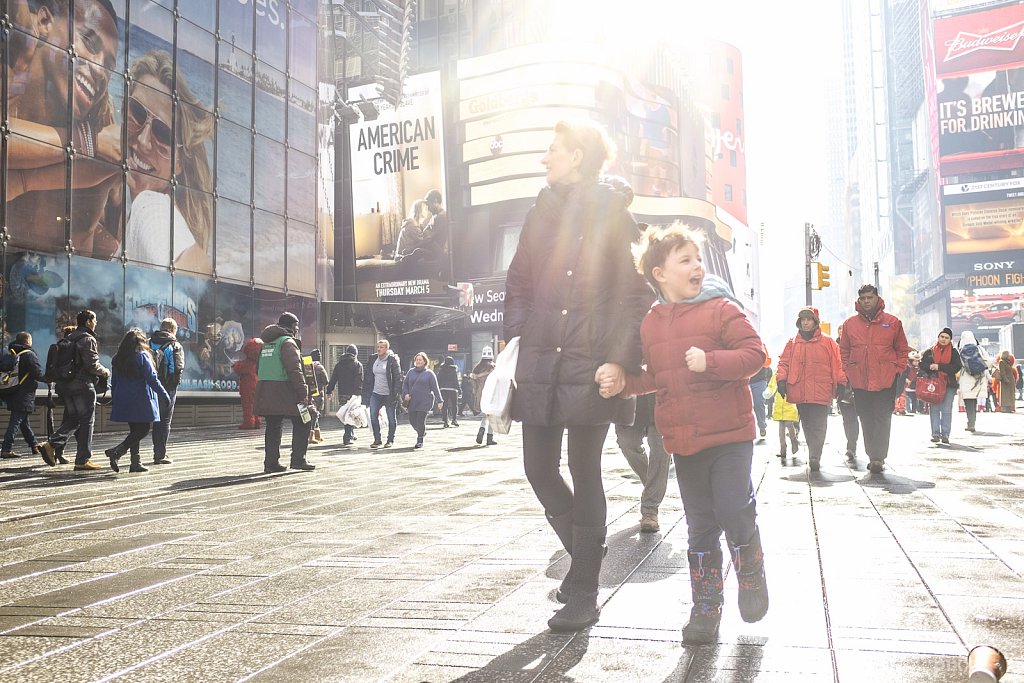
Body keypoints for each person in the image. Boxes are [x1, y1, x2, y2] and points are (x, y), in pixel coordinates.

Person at [503, 120, 652, 633]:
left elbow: (635, 294)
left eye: (553, 150)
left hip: (593, 362)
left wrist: (620, 360)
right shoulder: (539, 212)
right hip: (541, 358)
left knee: (585, 469)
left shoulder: (614, 214)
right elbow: (519, 282)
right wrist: (515, 338)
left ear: (578, 156)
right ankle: (587, 558)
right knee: (538, 469)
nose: (545, 158)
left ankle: (584, 591)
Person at [599, 222, 768, 645]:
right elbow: (656, 377)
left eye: (698, 259)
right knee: (700, 526)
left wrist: (711, 361)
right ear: (659, 274)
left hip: (730, 436)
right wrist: (624, 384)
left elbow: (756, 355)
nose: (697, 267)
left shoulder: (722, 309)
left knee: (734, 509)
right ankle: (706, 608)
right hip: (685, 442)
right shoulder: (652, 323)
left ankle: (751, 573)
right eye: (685, 260)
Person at [122, 50, 214, 272]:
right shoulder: (139, 212)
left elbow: (199, 271)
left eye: (163, 134)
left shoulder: (150, 208)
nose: (143, 141)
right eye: (137, 112)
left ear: (180, 164)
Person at [839, 285, 910, 474]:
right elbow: (844, 350)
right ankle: (872, 455)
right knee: (866, 418)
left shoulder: (893, 322)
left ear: (877, 298)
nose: (866, 301)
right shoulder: (849, 324)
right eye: (862, 298)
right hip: (860, 381)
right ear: (858, 300)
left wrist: (897, 369)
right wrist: (848, 369)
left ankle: (878, 457)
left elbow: (902, 349)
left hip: (885, 379)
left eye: (869, 297)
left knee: (882, 417)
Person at [777, 307, 847, 472]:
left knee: (819, 424)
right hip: (800, 389)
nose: (805, 323)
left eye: (809, 319)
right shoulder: (793, 342)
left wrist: (841, 382)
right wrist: (781, 379)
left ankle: (815, 455)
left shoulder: (828, 342)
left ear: (815, 321)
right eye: (803, 320)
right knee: (807, 423)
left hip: (821, 389)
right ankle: (813, 453)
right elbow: (784, 363)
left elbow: (838, 364)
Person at [39, 310, 111, 470]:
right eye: (95, 320)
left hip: (65, 385)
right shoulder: (87, 339)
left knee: (74, 419)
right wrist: (105, 371)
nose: (96, 323)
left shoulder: (69, 337)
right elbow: (92, 364)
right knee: (87, 421)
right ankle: (82, 460)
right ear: (88, 322)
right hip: (82, 385)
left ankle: (51, 445)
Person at [104, 329, 171, 472]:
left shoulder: (118, 358)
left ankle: (135, 462)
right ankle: (117, 451)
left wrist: (115, 397)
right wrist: (164, 394)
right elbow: (152, 379)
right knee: (143, 429)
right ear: (141, 342)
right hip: (140, 398)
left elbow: (114, 381)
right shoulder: (142, 356)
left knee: (135, 430)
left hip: (124, 398)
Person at [255, 312, 315, 472]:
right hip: (287, 391)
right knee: (305, 419)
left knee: (273, 426)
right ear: (291, 326)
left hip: (266, 390)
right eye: (296, 326)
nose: (297, 329)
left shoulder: (266, 344)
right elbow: (295, 370)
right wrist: (303, 393)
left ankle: (271, 463)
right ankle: (298, 459)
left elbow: (257, 367)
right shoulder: (287, 342)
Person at [614, 393, 670, 533]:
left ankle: (650, 511)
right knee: (627, 442)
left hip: (662, 400)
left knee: (661, 448)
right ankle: (653, 485)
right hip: (630, 399)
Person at [0, 332, 46, 459]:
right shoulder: (29, 354)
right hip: (24, 393)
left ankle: (34, 444)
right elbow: (37, 373)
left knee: (23, 421)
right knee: (16, 421)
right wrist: (49, 379)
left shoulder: (12, 353)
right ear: (27, 341)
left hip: (13, 391)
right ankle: (6, 449)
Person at [148, 318, 184, 465]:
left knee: (146, 421)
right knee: (164, 421)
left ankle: (134, 457)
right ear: (171, 330)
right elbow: (177, 369)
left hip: (149, 386)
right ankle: (160, 454)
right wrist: (173, 386)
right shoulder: (175, 345)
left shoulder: (148, 342)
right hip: (167, 387)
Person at [919, 328, 963, 444]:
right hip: (933, 384)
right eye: (942, 337)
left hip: (949, 384)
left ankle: (945, 434)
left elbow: (957, 367)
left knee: (946, 409)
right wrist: (930, 366)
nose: (943, 339)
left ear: (950, 339)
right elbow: (922, 365)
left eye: (946, 338)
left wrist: (940, 367)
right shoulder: (930, 351)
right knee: (934, 409)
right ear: (938, 337)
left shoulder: (953, 352)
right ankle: (935, 433)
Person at [362, 339, 402, 448]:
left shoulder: (392, 360)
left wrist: (395, 393)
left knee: (391, 418)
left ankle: (390, 440)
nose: (379, 349)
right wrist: (366, 392)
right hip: (375, 393)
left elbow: (397, 377)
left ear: (387, 349)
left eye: (381, 347)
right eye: (378, 347)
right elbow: (368, 376)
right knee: (373, 416)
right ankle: (377, 439)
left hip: (389, 394)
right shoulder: (373, 359)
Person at [402, 352, 444, 449]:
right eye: (417, 360)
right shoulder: (411, 372)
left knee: (420, 421)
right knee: (412, 421)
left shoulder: (429, 374)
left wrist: (440, 400)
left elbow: (435, 388)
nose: (418, 361)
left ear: (425, 361)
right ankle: (422, 432)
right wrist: (405, 394)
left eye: (420, 360)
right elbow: (405, 384)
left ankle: (420, 440)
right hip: (412, 401)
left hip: (425, 401)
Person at [326, 344, 364, 446]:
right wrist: (359, 394)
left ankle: (351, 433)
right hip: (353, 394)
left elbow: (333, 379)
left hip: (342, 393)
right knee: (351, 414)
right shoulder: (357, 364)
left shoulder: (339, 364)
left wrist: (329, 391)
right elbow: (359, 381)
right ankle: (347, 437)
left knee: (348, 414)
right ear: (355, 353)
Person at [957, 331, 989, 432]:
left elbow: (958, 365)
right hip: (978, 379)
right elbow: (988, 363)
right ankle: (972, 422)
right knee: (974, 401)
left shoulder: (960, 350)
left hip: (966, 379)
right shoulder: (980, 349)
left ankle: (970, 422)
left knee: (968, 402)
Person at [766, 371, 800, 460]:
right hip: (780, 400)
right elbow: (772, 384)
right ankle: (783, 449)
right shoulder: (778, 373)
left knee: (788, 423)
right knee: (781, 428)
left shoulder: (791, 371)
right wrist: (769, 391)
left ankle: (793, 441)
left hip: (789, 400)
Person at [232, 338, 263, 430]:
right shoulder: (259, 363)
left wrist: (235, 364)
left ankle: (249, 422)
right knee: (256, 405)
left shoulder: (246, 364)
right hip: (258, 385)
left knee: (248, 405)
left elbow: (238, 368)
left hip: (248, 386)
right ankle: (257, 421)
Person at [469, 347, 497, 446]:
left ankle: (482, 429)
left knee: (485, 414)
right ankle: (489, 437)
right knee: (491, 416)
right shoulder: (493, 367)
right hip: (492, 394)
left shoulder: (477, 368)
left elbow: (473, 383)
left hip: (480, 394)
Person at [748, 347, 771, 440]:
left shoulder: (761, 345)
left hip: (759, 380)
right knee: (745, 406)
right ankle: (747, 429)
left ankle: (762, 426)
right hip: (745, 379)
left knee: (758, 403)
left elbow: (767, 363)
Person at [306, 349, 329, 444]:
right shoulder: (319, 367)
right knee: (315, 414)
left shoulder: (306, 366)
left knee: (314, 414)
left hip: (308, 394)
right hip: (318, 393)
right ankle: (310, 436)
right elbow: (326, 381)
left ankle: (317, 435)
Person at [436, 356, 460, 428]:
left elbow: (438, 380)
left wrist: (438, 389)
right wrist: (459, 389)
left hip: (443, 389)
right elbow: (455, 381)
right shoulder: (454, 370)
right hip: (453, 389)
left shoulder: (441, 370)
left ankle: (446, 421)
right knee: (454, 405)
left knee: (445, 405)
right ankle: (454, 419)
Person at [905, 351, 921, 415]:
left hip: (916, 385)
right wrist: (906, 379)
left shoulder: (919, 369)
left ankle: (914, 410)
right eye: (914, 361)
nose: (916, 362)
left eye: (917, 361)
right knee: (907, 398)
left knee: (915, 399)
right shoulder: (908, 368)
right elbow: (905, 375)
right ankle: (908, 409)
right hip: (908, 385)